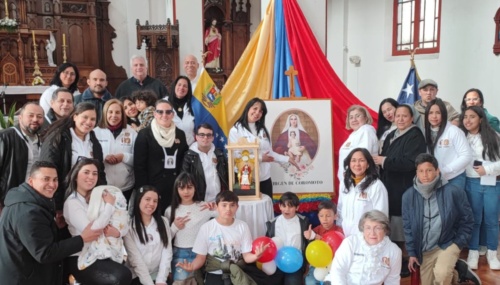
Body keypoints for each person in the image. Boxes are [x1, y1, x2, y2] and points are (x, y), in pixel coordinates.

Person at [0, 161, 102, 285]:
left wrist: (56, 228)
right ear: (31, 181)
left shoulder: (32, 203)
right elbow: (44, 253)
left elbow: (37, 239)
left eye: (55, 179)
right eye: (46, 179)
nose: (52, 184)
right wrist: (82, 239)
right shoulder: (28, 212)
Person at [402, 153, 480, 285]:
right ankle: (459, 273)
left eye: (429, 170)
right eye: (421, 171)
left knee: (442, 275)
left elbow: (467, 220)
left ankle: (448, 268)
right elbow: (407, 226)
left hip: (447, 244)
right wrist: (412, 252)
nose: (425, 175)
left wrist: (458, 243)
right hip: (425, 250)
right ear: (416, 172)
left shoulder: (453, 192)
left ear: (437, 171)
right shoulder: (408, 196)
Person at [373, 104, 426, 277]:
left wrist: (384, 161)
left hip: (403, 187)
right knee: (392, 225)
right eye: (398, 116)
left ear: (412, 118)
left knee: (401, 226)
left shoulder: (415, 135)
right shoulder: (392, 134)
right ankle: (394, 260)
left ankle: (404, 261)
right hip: (390, 187)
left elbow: (410, 162)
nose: (400, 119)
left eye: (405, 116)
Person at [175, 191, 267, 285]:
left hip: (236, 272)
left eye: (232, 205)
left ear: (237, 207)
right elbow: (201, 257)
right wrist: (192, 267)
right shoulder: (206, 228)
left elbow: (246, 256)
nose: (228, 209)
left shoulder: (242, 226)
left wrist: (256, 256)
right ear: (217, 207)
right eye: (224, 205)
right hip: (214, 273)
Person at [63, 157, 132, 285]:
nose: (91, 176)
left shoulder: (99, 196)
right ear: (76, 176)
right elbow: (92, 230)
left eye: (94, 173)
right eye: (86, 172)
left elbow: (121, 221)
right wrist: (109, 206)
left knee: (124, 273)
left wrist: (117, 232)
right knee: (121, 276)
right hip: (82, 256)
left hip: (104, 252)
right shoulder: (72, 202)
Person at [40, 102, 106, 212]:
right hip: (62, 198)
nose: (88, 122)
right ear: (75, 116)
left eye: (93, 119)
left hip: (87, 200)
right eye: (85, 117)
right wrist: (58, 206)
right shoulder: (58, 138)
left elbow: (100, 171)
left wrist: (99, 193)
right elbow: (48, 172)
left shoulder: (94, 141)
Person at [229, 98, 298, 198]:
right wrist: (260, 158)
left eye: (261, 111)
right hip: (246, 179)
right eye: (255, 108)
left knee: (266, 206)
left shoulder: (262, 130)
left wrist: (287, 159)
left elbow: (269, 153)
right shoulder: (236, 130)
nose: (257, 113)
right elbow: (236, 156)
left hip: (265, 178)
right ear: (248, 108)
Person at [460, 106, 500, 270]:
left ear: (481, 119)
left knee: (491, 220)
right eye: (465, 117)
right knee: (474, 220)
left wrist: (488, 170)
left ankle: (492, 252)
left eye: (472, 117)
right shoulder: (462, 137)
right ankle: (473, 251)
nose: (467, 120)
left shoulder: (493, 136)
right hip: (471, 183)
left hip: (491, 183)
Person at [134, 99, 189, 212]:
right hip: (153, 188)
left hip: (174, 187)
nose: (164, 115)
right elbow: (139, 166)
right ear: (155, 114)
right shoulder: (144, 134)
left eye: (168, 112)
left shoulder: (180, 134)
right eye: (160, 112)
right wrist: (144, 191)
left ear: (172, 114)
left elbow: (183, 161)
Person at [165, 173, 217, 283]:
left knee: (200, 282)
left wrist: (216, 208)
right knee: (181, 282)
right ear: (176, 189)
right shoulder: (170, 210)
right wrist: (174, 227)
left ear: (195, 188)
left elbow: (228, 217)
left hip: (202, 253)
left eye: (189, 187)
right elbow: (166, 238)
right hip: (180, 253)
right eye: (182, 188)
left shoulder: (203, 206)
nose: (186, 191)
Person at [327, 210, 401, 285]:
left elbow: (392, 280)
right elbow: (338, 271)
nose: (372, 233)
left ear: (385, 230)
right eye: (368, 228)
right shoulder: (350, 243)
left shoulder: (394, 251)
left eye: (377, 228)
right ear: (363, 228)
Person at [125, 185, 173, 285]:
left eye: (155, 201)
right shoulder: (129, 226)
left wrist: (161, 280)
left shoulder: (163, 221)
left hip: (159, 275)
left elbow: (167, 252)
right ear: (139, 200)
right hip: (137, 276)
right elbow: (136, 260)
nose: (151, 204)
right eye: (147, 199)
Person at [0, 102, 44, 212]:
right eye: (31, 115)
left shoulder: (42, 140)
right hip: (10, 200)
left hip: (35, 199)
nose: (35, 119)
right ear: (20, 118)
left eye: (39, 116)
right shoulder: (5, 137)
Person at [337, 148, 389, 237]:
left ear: (368, 164)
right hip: (346, 238)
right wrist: (339, 230)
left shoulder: (376, 186)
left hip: (367, 239)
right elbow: (340, 209)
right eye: (353, 161)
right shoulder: (344, 183)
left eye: (361, 160)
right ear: (349, 164)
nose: (357, 164)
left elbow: (381, 217)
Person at [94, 99, 137, 201]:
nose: (114, 115)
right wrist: (104, 157)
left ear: (123, 114)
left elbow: (138, 159)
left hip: (126, 187)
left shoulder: (132, 132)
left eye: (118, 112)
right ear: (105, 113)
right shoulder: (95, 132)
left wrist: (123, 157)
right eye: (110, 112)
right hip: (102, 186)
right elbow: (90, 156)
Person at [424, 99, 472, 189]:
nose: (434, 116)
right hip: (434, 179)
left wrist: (445, 170)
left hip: (454, 178)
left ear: (444, 114)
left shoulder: (453, 130)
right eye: (430, 113)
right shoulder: (425, 132)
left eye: (438, 113)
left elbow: (466, 156)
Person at [266, 191, 312, 285]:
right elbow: (268, 243)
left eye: (290, 206)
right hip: (276, 264)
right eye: (284, 206)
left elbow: (308, 244)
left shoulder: (303, 222)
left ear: (297, 208)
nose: (287, 209)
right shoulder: (272, 223)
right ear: (279, 206)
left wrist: (310, 237)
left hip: (295, 264)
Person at [182, 123, 228, 202]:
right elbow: (184, 181)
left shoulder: (219, 154)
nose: (205, 138)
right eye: (202, 135)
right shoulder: (188, 157)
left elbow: (226, 176)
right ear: (196, 137)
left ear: (213, 137)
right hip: (199, 202)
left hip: (219, 201)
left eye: (209, 135)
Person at [304, 200, 343, 285]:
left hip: (333, 265)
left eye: (328, 216)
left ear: (335, 216)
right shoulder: (315, 231)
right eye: (321, 216)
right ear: (318, 216)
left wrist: (322, 240)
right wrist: (308, 237)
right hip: (316, 265)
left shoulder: (339, 232)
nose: (325, 219)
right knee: (310, 282)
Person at [338, 105, 378, 182]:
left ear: (366, 118)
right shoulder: (355, 133)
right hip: (350, 180)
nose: (354, 119)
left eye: (357, 116)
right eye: (351, 117)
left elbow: (362, 157)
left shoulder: (366, 131)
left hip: (360, 180)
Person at [166, 75, 196, 145]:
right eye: (179, 85)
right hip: (170, 146)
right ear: (174, 86)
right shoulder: (164, 103)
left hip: (189, 147)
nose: (181, 88)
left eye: (185, 86)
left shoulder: (193, 104)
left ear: (188, 89)